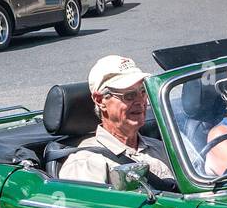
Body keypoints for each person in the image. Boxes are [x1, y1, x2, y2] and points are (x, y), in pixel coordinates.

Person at [59, 55, 176, 187]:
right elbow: (90, 205)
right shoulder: (86, 161)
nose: (140, 102)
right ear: (100, 100)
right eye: (129, 95)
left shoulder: (162, 147)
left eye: (143, 92)